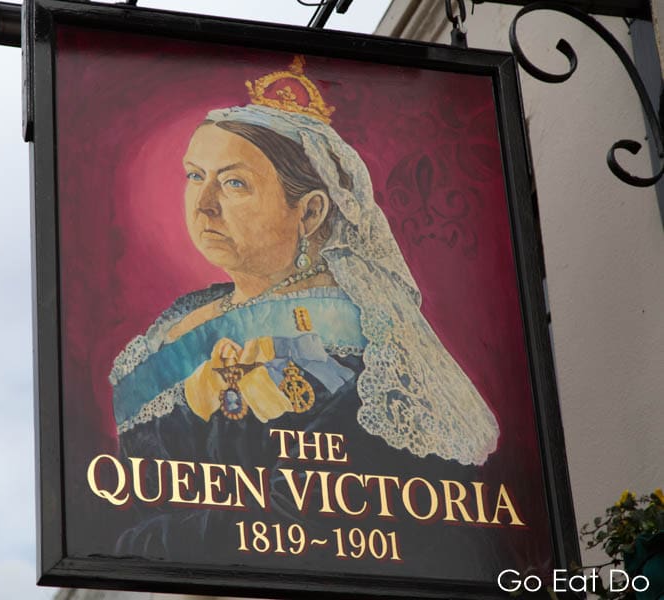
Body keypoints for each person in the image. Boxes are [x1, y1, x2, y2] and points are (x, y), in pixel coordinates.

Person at [104, 57, 504, 576]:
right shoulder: (182, 318)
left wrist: (139, 542)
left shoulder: (368, 347)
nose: (202, 205)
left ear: (311, 212)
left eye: (234, 184)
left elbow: (291, 527)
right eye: (194, 175)